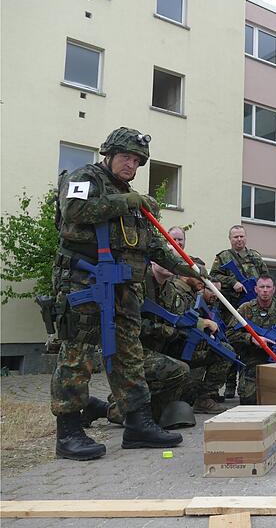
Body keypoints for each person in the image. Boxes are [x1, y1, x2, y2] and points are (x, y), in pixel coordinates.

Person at [51, 127, 200, 460]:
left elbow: (156, 248)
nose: (130, 165)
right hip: (85, 284)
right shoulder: (84, 178)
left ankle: (138, 424)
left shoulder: (135, 203)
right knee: (78, 355)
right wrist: (126, 201)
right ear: (109, 154)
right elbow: (74, 211)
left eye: (136, 161)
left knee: (129, 355)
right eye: (125, 157)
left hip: (123, 290)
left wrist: (191, 269)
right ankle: (69, 432)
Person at [154, 264, 231, 414]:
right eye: (198, 276)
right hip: (171, 346)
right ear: (185, 274)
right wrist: (203, 323)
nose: (202, 281)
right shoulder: (175, 290)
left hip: (184, 344)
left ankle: (203, 398)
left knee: (225, 351)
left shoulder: (192, 293)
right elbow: (178, 320)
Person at [210, 225, 270, 399]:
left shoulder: (255, 257)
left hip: (251, 308)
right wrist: (232, 282)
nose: (239, 239)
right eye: (235, 237)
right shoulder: (223, 257)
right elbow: (213, 276)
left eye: (241, 236)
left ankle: (251, 381)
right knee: (231, 342)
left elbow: (265, 277)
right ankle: (230, 384)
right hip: (230, 308)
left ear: (246, 238)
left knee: (250, 343)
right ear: (230, 239)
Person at [226, 275, 276, 404]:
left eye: (268, 287)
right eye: (262, 287)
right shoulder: (246, 308)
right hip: (252, 357)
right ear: (256, 289)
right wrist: (251, 338)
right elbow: (229, 334)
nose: (265, 290)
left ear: (274, 289)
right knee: (248, 400)